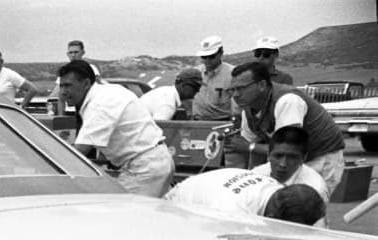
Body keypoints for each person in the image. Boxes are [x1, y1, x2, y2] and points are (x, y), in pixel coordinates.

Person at [57, 60, 174, 197]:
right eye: (61, 86)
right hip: (154, 160)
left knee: (119, 207)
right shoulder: (108, 91)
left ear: (86, 83)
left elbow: (79, 152)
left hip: (145, 167)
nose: (63, 92)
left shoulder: (99, 106)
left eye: (68, 86)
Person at [229, 61, 346, 197]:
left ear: (262, 85)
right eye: (232, 90)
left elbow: (289, 148)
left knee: (308, 204)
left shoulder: (288, 100)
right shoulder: (248, 111)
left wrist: (249, 147)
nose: (235, 95)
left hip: (321, 157)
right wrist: (252, 178)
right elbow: (254, 153)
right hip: (292, 160)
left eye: (241, 88)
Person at [165, 168, 325, 225]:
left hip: (206, 193)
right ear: (272, 218)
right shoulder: (233, 213)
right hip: (177, 208)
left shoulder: (277, 191)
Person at [249, 125, 330, 217]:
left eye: (292, 157)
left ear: (304, 158)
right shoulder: (255, 176)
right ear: (269, 155)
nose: (283, 164)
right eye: (278, 156)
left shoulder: (316, 189)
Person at [192, 35, 234, 120]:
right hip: (197, 121)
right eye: (204, 57)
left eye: (211, 56)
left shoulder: (232, 73)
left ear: (221, 53)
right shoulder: (195, 72)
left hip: (222, 122)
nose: (207, 60)